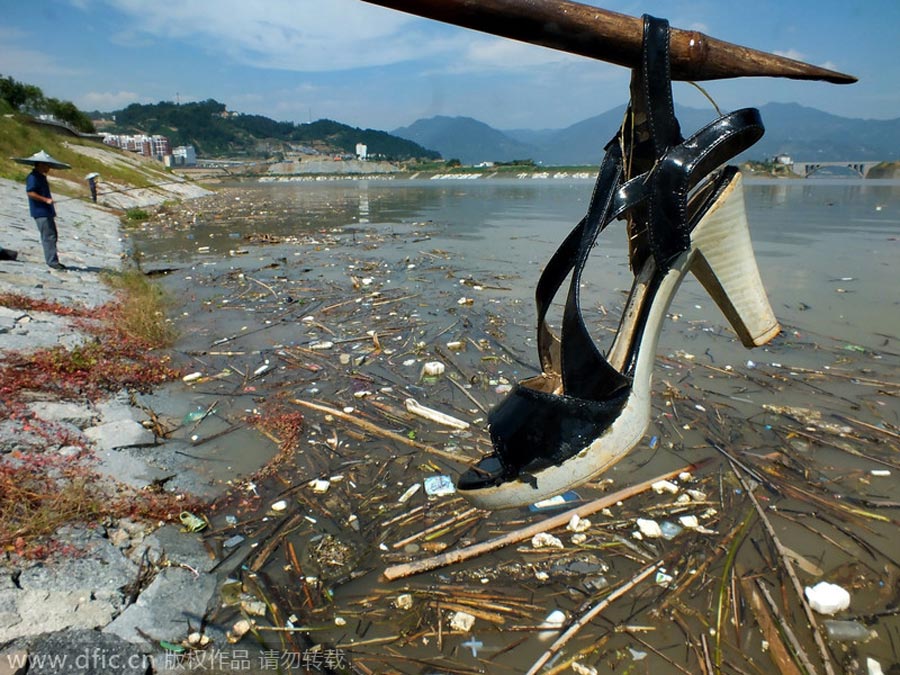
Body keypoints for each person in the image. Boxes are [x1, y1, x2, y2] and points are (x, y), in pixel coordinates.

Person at [14, 150, 71, 270]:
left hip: (46, 211)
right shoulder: (33, 177)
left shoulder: (41, 177)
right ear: (40, 164)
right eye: (47, 165)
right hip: (41, 211)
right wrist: (45, 200)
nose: (49, 167)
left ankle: (52, 260)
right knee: (49, 236)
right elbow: (30, 193)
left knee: (52, 235)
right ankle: (52, 262)